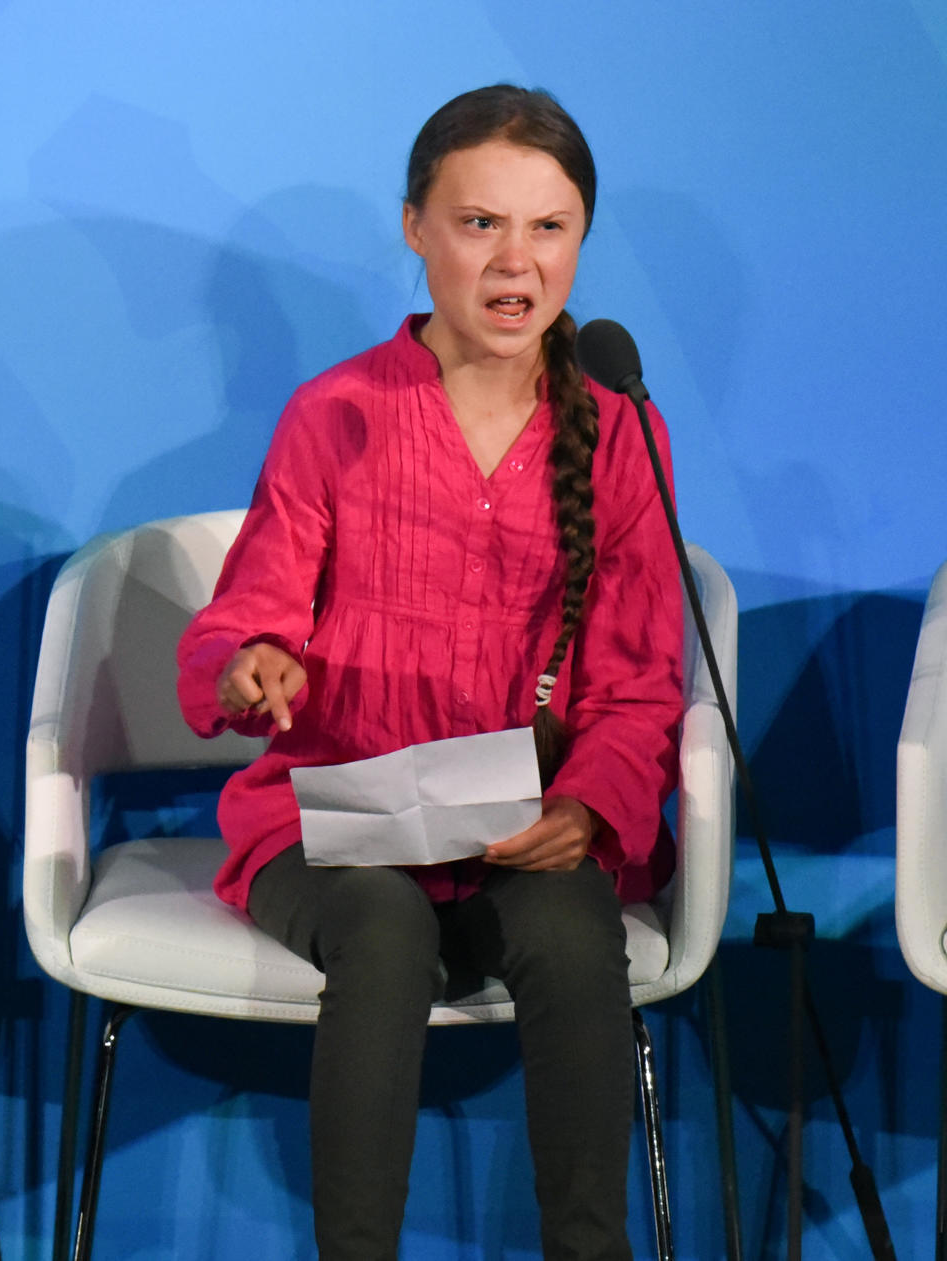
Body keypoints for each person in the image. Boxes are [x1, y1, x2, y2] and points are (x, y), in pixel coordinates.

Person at [177, 84, 683, 1261]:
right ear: (415, 228)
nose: (517, 260)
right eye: (478, 223)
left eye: (548, 227)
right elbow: (245, 618)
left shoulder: (619, 433)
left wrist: (590, 805)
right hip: (335, 827)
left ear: (581, 241)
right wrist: (252, 664)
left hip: (516, 826)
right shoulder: (335, 413)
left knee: (570, 928)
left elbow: (642, 682)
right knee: (384, 928)